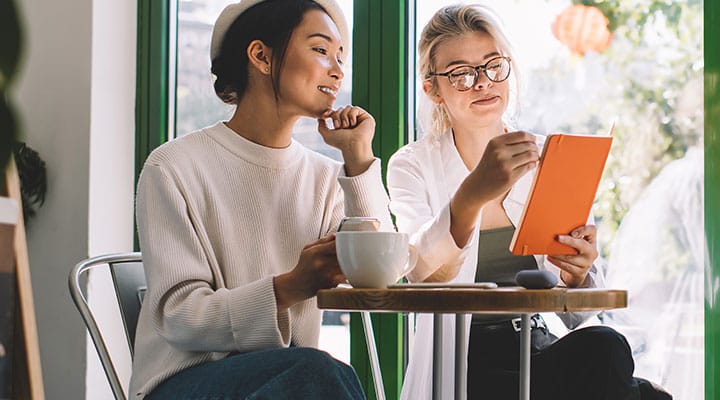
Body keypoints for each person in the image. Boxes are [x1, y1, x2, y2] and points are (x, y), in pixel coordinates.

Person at [387, 4, 672, 400]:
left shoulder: (547, 156)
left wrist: (578, 275)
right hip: (461, 361)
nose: (483, 82)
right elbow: (419, 270)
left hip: (535, 347)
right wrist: (472, 194)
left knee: (605, 345)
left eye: (493, 66)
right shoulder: (412, 164)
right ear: (433, 89)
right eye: (461, 74)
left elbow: (579, 313)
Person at [129, 0, 393, 398]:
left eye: (341, 57)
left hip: (288, 378)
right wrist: (290, 286)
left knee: (317, 373)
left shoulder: (323, 177)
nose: (337, 70)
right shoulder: (173, 166)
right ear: (261, 56)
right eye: (321, 50)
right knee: (317, 372)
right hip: (184, 382)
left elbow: (380, 274)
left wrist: (357, 158)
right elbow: (180, 317)